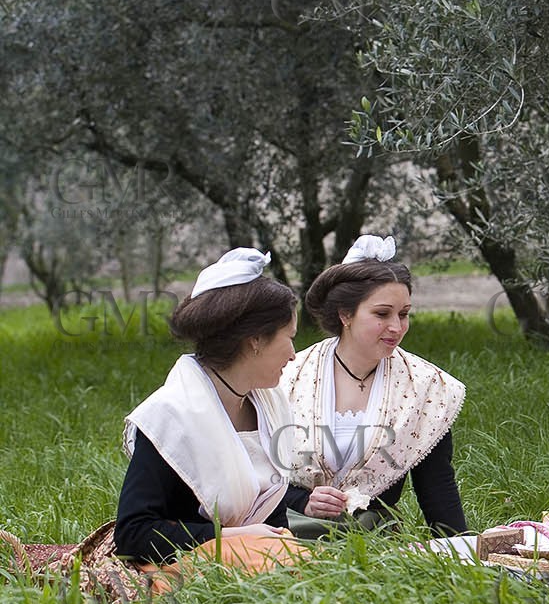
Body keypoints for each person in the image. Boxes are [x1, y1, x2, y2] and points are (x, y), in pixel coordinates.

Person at [115, 248, 315, 573]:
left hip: (255, 556)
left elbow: (272, 517)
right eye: (288, 338)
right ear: (254, 341)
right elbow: (132, 534)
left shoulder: (269, 405)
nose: (293, 355)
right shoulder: (173, 415)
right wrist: (232, 537)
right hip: (182, 566)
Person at [281, 234, 467, 537]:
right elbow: (255, 471)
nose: (397, 326)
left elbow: (436, 486)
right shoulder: (290, 375)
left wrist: (460, 553)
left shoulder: (425, 386)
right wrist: (302, 500)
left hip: (373, 543)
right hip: (285, 531)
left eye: (404, 314)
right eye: (382, 314)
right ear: (345, 315)